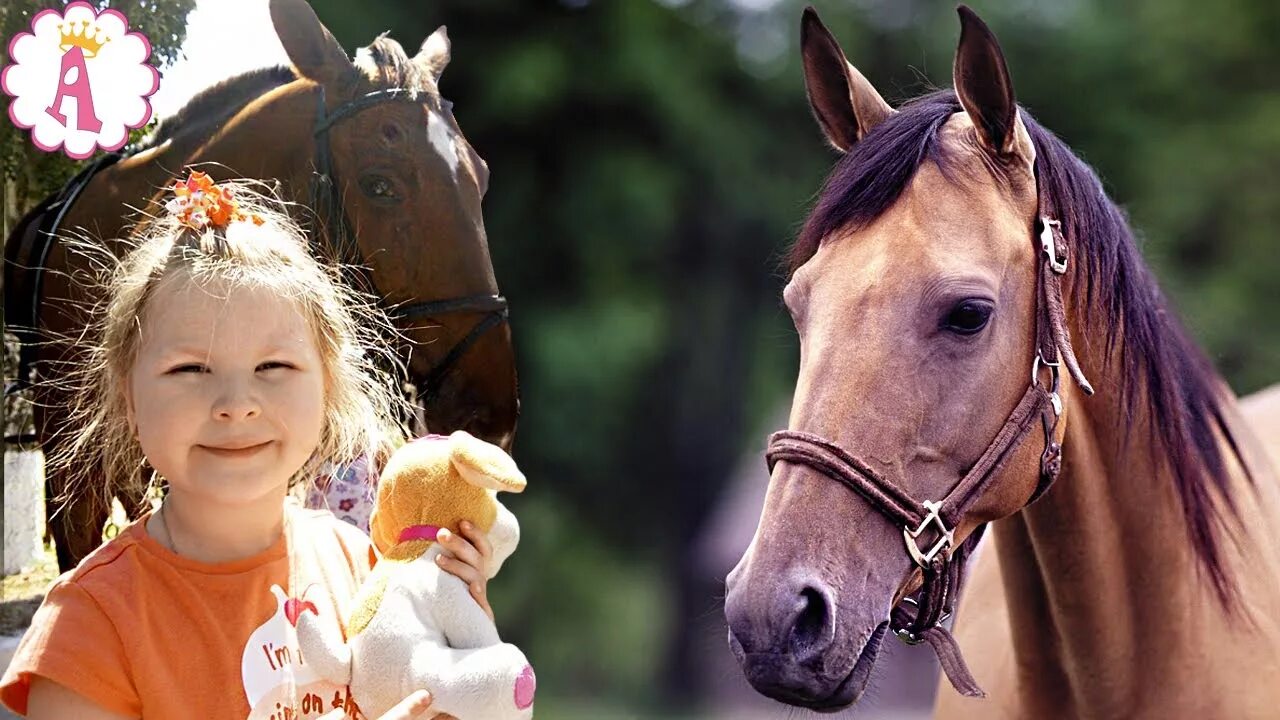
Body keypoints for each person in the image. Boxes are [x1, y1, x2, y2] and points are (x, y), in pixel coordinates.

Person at [1, 173, 499, 719]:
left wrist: (463, 641)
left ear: (328, 384)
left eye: (273, 366)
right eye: (190, 368)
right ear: (129, 398)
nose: (237, 404)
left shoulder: (369, 568)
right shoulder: (89, 628)